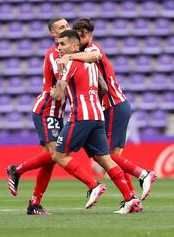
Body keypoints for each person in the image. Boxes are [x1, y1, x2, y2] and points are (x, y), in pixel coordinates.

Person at [7, 18, 105, 215]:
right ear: (53, 34)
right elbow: (62, 81)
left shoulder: (72, 54)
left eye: (67, 25)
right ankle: (91, 184)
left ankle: (33, 201)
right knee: (56, 155)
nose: (66, 28)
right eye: (61, 28)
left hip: (57, 111)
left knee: (51, 158)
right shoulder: (56, 54)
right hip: (47, 109)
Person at [58, 18, 157, 200]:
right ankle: (132, 197)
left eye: (79, 35)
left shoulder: (92, 49)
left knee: (106, 156)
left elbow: (94, 57)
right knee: (109, 156)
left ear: (85, 34)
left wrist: (68, 56)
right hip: (111, 106)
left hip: (113, 104)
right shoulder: (82, 53)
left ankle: (143, 174)